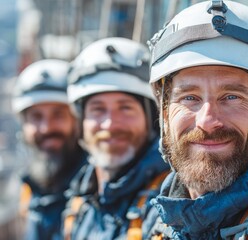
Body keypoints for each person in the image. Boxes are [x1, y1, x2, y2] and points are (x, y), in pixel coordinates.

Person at [143, 0, 248, 239]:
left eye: (231, 96)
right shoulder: (158, 221)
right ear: (164, 114)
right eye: (189, 98)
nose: (207, 121)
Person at [63, 37, 169, 240]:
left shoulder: (167, 205)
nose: (110, 124)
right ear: (82, 120)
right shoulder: (79, 204)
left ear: (151, 119)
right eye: (97, 109)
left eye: (125, 108)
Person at [12, 59, 87, 240]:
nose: (46, 128)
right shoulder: (32, 189)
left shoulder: (95, 189)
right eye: (36, 116)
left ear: (77, 119)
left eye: (58, 114)